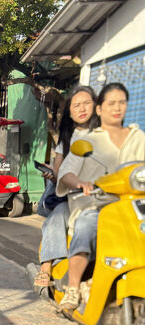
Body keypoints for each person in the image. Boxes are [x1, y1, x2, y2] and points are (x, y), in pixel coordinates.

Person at [55, 82, 145, 310]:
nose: (117, 108)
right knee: (86, 225)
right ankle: (74, 287)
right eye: (111, 103)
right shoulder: (88, 140)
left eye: (122, 103)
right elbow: (66, 171)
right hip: (95, 204)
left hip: (131, 207)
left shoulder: (138, 137)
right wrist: (79, 182)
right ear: (100, 109)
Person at [33, 85, 98, 293]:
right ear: (70, 111)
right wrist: (56, 176)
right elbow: (61, 172)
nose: (82, 109)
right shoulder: (66, 139)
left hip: (105, 198)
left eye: (86, 103)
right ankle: (46, 266)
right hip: (75, 199)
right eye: (76, 105)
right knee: (57, 217)